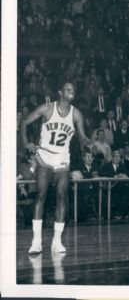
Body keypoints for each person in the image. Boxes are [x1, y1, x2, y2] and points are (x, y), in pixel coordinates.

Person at [21, 81, 92, 254]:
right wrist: (26, 142)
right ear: (60, 92)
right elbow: (24, 122)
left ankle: (57, 241)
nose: (71, 91)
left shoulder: (76, 114)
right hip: (45, 155)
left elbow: (82, 137)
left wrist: (91, 143)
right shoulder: (47, 108)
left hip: (62, 158)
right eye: (68, 89)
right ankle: (36, 241)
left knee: (62, 196)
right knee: (41, 194)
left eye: (73, 89)